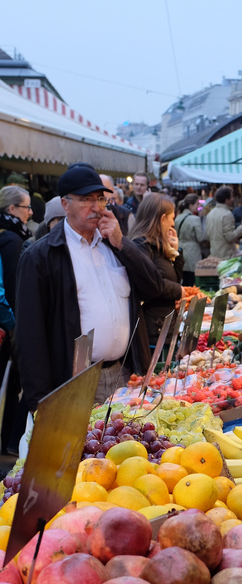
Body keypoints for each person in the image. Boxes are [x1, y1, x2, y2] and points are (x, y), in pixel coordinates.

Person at [14, 164, 167, 409]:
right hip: (76, 383)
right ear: (65, 205)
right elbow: (30, 337)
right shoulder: (40, 257)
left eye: (100, 199)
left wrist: (122, 244)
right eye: (86, 200)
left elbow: (153, 287)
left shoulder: (113, 244)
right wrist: (40, 403)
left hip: (126, 375)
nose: (96, 208)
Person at [132, 194, 184, 347]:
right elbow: (150, 284)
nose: (173, 224)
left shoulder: (159, 245)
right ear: (162, 219)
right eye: (172, 218)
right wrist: (178, 291)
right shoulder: (141, 245)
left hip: (164, 325)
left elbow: (175, 278)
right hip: (152, 329)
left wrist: (176, 252)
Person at [175, 194, 207, 284]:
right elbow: (200, 238)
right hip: (192, 250)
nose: (198, 207)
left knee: (184, 276)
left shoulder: (178, 218)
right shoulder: (195, 219)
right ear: (191, 205)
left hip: (180, 249)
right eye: (197, 204)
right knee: (192, 278)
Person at [206, 185, 242, 259]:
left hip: (214, 253)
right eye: (231, 197)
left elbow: (208, 235)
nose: (233, 199)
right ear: (226, 199)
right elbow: (230, 237)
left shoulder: (211, 213)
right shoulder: (227, 214)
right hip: (226, 255)